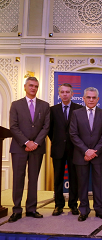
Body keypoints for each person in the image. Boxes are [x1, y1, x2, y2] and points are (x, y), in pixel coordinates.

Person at [8, 77, 50, 222]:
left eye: (36, 86)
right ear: (25, 87)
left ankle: (31, 209)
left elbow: (46, 126)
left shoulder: (44, 105)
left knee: (33, 179)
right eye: (31, 85)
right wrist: (26, 142)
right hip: (19, 148)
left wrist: (36, 143)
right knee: (18, 179)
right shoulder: (16, 105)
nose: (33, 88)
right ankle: (17, 209)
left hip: (37, 149)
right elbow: (13, 126)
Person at [70, 87, 102, 221]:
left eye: (94, 97)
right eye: (88, 97)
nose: (91, 100)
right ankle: (84, 210)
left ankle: (99, 209)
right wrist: (86, 151)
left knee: (99, 184)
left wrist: (94, 151)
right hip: (81, 155)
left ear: (98, 99)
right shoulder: (76, 113)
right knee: (82, 184)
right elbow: (73, 134)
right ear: (84, 98)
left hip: (98, 155)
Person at [48, 83, 83, 216]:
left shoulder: (79, 109)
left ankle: (73, 205)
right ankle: (58, 205)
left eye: (67, 92)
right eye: (62, 92)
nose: (65, 94)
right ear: (59, 94)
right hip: (58, 149)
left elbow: (81, 130)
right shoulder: (53, 110)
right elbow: (50, 130)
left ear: (72, 94)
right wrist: (57, 141)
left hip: (75, 150)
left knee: (74, 178)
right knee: (58, 178)